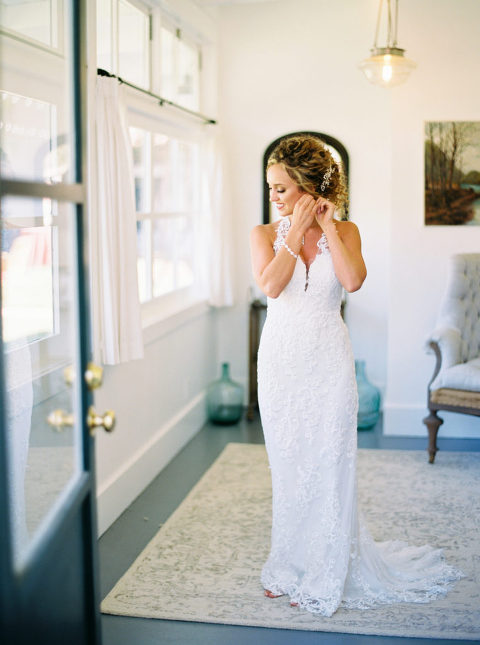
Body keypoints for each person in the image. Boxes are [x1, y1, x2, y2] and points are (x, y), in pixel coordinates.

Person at [250, 134, 463, 617]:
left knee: (330, 464)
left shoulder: (347, 232)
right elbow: (272, 286)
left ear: (306, 186)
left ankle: (328, 568)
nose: (273, 196)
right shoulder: (263, 235)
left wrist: (324, 226)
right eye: (270, 187)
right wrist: (293, 226)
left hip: (329, 361)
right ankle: (287, 566)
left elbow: (352, 281)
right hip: (281, 362)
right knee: (288, 466)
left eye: (281, 189)